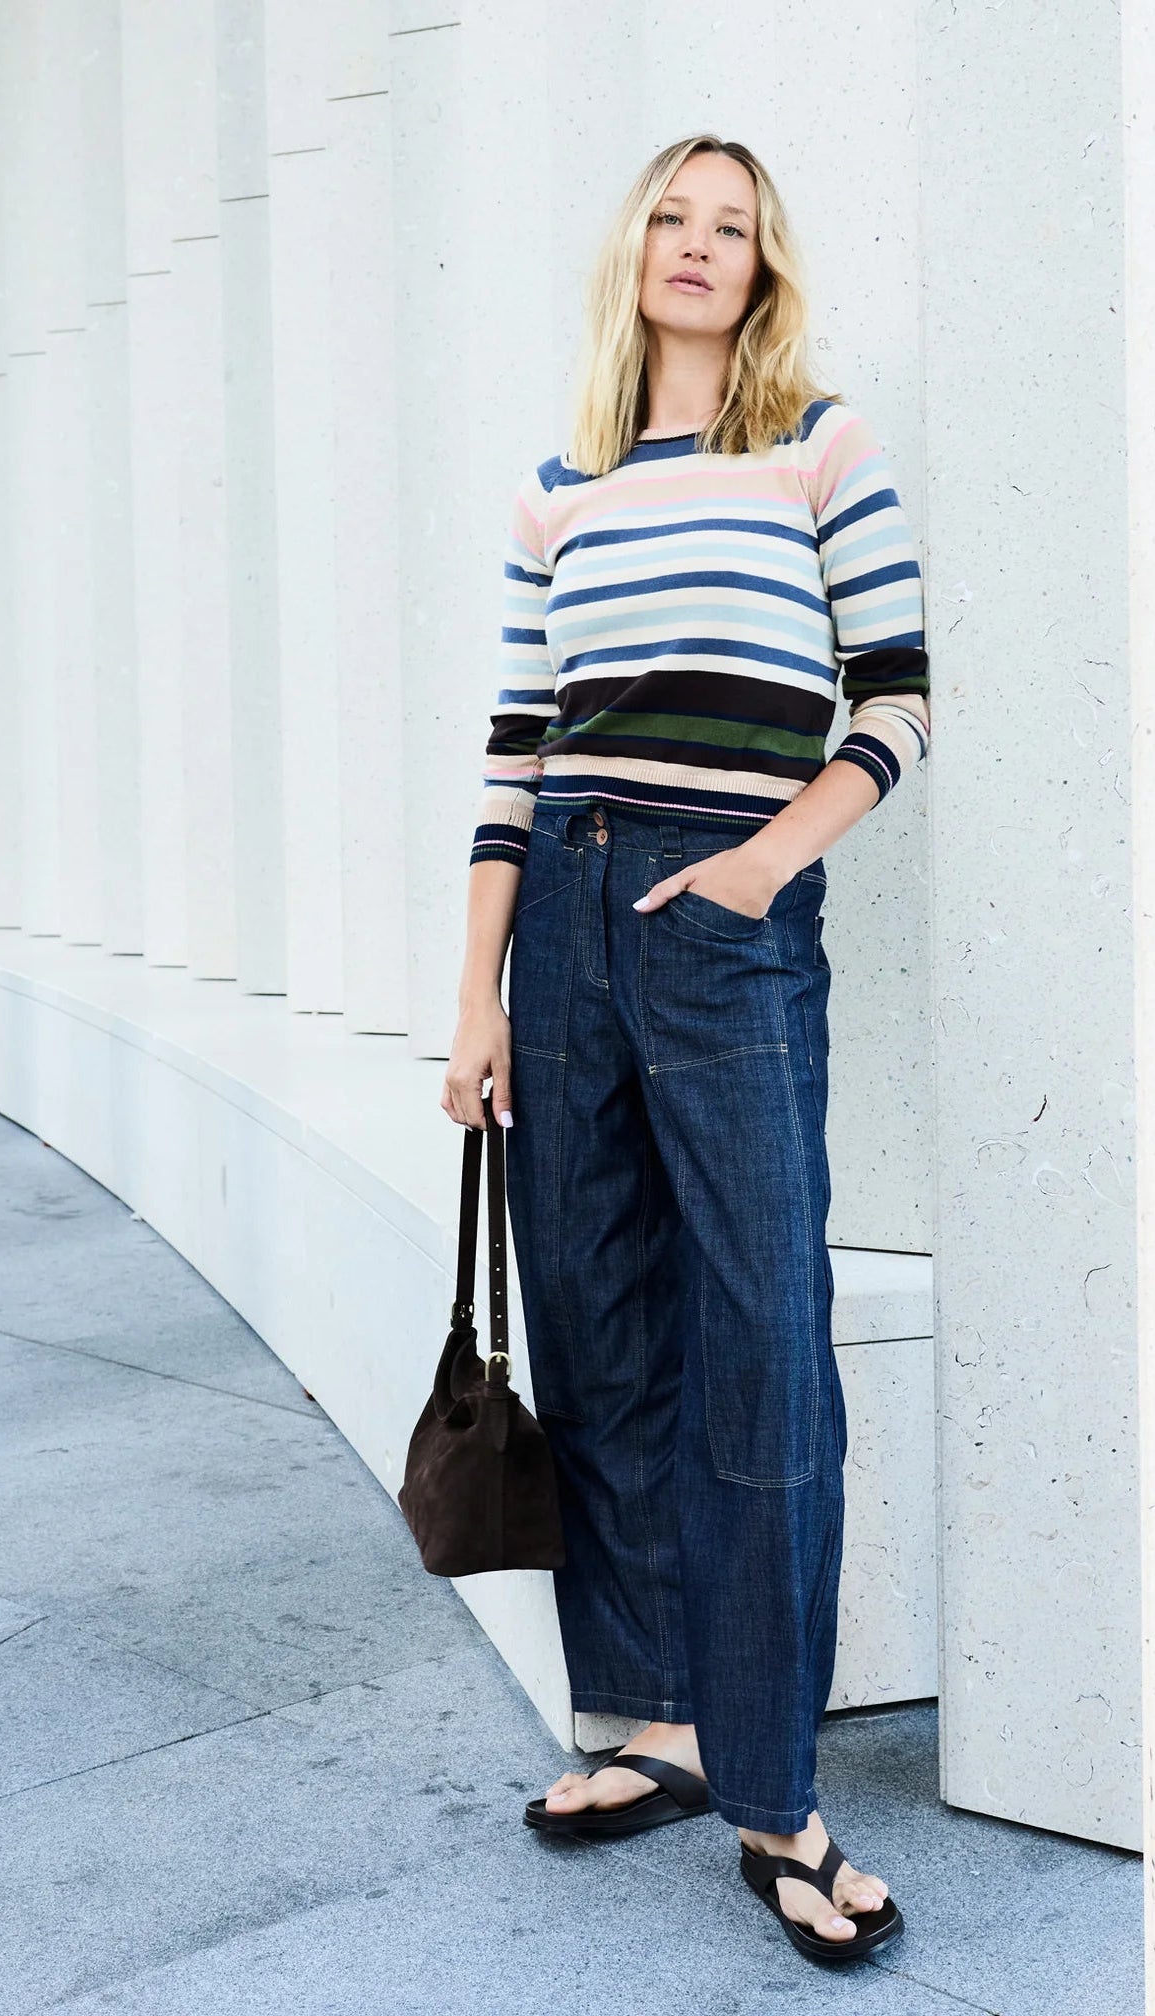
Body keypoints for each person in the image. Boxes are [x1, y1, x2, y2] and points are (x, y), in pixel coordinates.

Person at [441, 131, 927, 1966]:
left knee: (762, 1344)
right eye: (673, 217)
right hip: (560, 914)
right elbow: (511, 748)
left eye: (735, 227)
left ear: (768, 266)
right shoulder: (558, 485)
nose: (700, 246)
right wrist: (478, 995)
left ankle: (779, 1790)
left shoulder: (820, 448)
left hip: (727, 928)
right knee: (601, 1319)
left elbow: (895, 693)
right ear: (632, 250)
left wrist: (760, 870)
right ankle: (648, 1716)